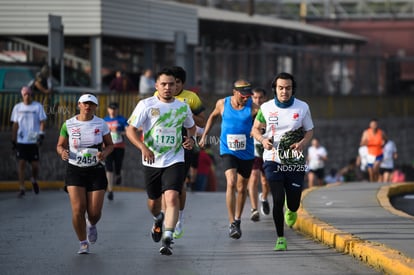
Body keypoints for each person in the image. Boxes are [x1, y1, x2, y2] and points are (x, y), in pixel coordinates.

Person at [126, 68, 196, 255]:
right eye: (163, 84)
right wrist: (143, 147)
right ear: (156, 86)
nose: (167, 87)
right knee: (153, 202)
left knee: (172, 196)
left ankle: (168, 235)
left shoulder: (182, 106)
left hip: (175, 158)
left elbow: (191, 127)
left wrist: (190, 139)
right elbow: (130, 130)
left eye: (171, 84)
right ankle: (158, 218)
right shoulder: (146, 105)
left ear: (176, 87)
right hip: (151, 159)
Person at [251, 72, 314, 251]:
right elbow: (255, 129)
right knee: (278, 199)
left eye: (287, 88)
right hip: (273, 158)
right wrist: (263, 140)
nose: (284, 91)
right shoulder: (266, 108)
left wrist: (302, 143)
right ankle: (280, 238)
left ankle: (292, 209)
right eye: (280, 88)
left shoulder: (302, 107)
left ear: (292, 89)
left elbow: (309, 131)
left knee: (293, 202)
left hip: (294, 160)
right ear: (275, 89)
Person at [199, 79, 259, 240]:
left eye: (248, 95)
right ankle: (232, 222)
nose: (246, 98)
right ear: (234, 92)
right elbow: (212, 117)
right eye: (243, 95)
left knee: (242, 187)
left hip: (246, 152)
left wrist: (261, 132)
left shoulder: (253, 107)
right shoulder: (222, 103)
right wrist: (205, 136)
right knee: (231, 182)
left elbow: (262, 124)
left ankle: (238, 219)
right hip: (228, 150)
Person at [56, 93, 114, 254]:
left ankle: (92, 224)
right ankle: (83, 242)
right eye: (85, 103)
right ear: (79, 105)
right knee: (78, 209)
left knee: (94, 212)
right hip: (75, 169)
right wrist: (62, 152)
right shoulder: (68, 124)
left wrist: (104, 153)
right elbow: (60, 145)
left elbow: (110, 145)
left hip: (95, 170)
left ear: (96, 107)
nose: (88, 106)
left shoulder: (101, 124)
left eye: (91, 104)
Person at [155, 66, 207, 239]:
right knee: (164, 189)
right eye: (170, 83)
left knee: (177, 187)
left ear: (182, 83)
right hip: (161, 148)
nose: (173, 86)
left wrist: (185, 112)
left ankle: (178, 218)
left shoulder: (191, 98)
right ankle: (165, 216)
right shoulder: (158, 97)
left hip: (184, 146)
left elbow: (202, 121)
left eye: (177, 83)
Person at [11, 86, 47, 198]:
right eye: (25, 94)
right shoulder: (17, 107)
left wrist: (41, 135)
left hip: (33, 137)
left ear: (31, 95)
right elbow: (15, 124)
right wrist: (13, 140)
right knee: (21, 163)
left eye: (29, 94)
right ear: (22, 96)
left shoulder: (37, 106)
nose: (27, 96)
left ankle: (33, 179)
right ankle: (22, 187)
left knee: (35, 165)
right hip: (22, 139)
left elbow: (42, 122)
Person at [247, 87, 270, 222]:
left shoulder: (269, 111)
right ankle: (254, 209)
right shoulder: (247, 113)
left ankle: (264, 198)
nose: (258, 100)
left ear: (265, 98)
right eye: (255, 98)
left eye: (260, 97)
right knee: (254, 176)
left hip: (267, 149)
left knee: (265, 181)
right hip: (253, 149)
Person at [103, 102, 129, 200]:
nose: (113, 111)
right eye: (111, 109)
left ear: (117, 110)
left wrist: (119, 132)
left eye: (114, 109)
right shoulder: (104, 120)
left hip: (119, 146)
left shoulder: (122, 120)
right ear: (108, 109)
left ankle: (118, 175)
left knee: (118, 165)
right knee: (109, 168)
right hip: (108, 147)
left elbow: (127, 131)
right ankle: (110, 190)